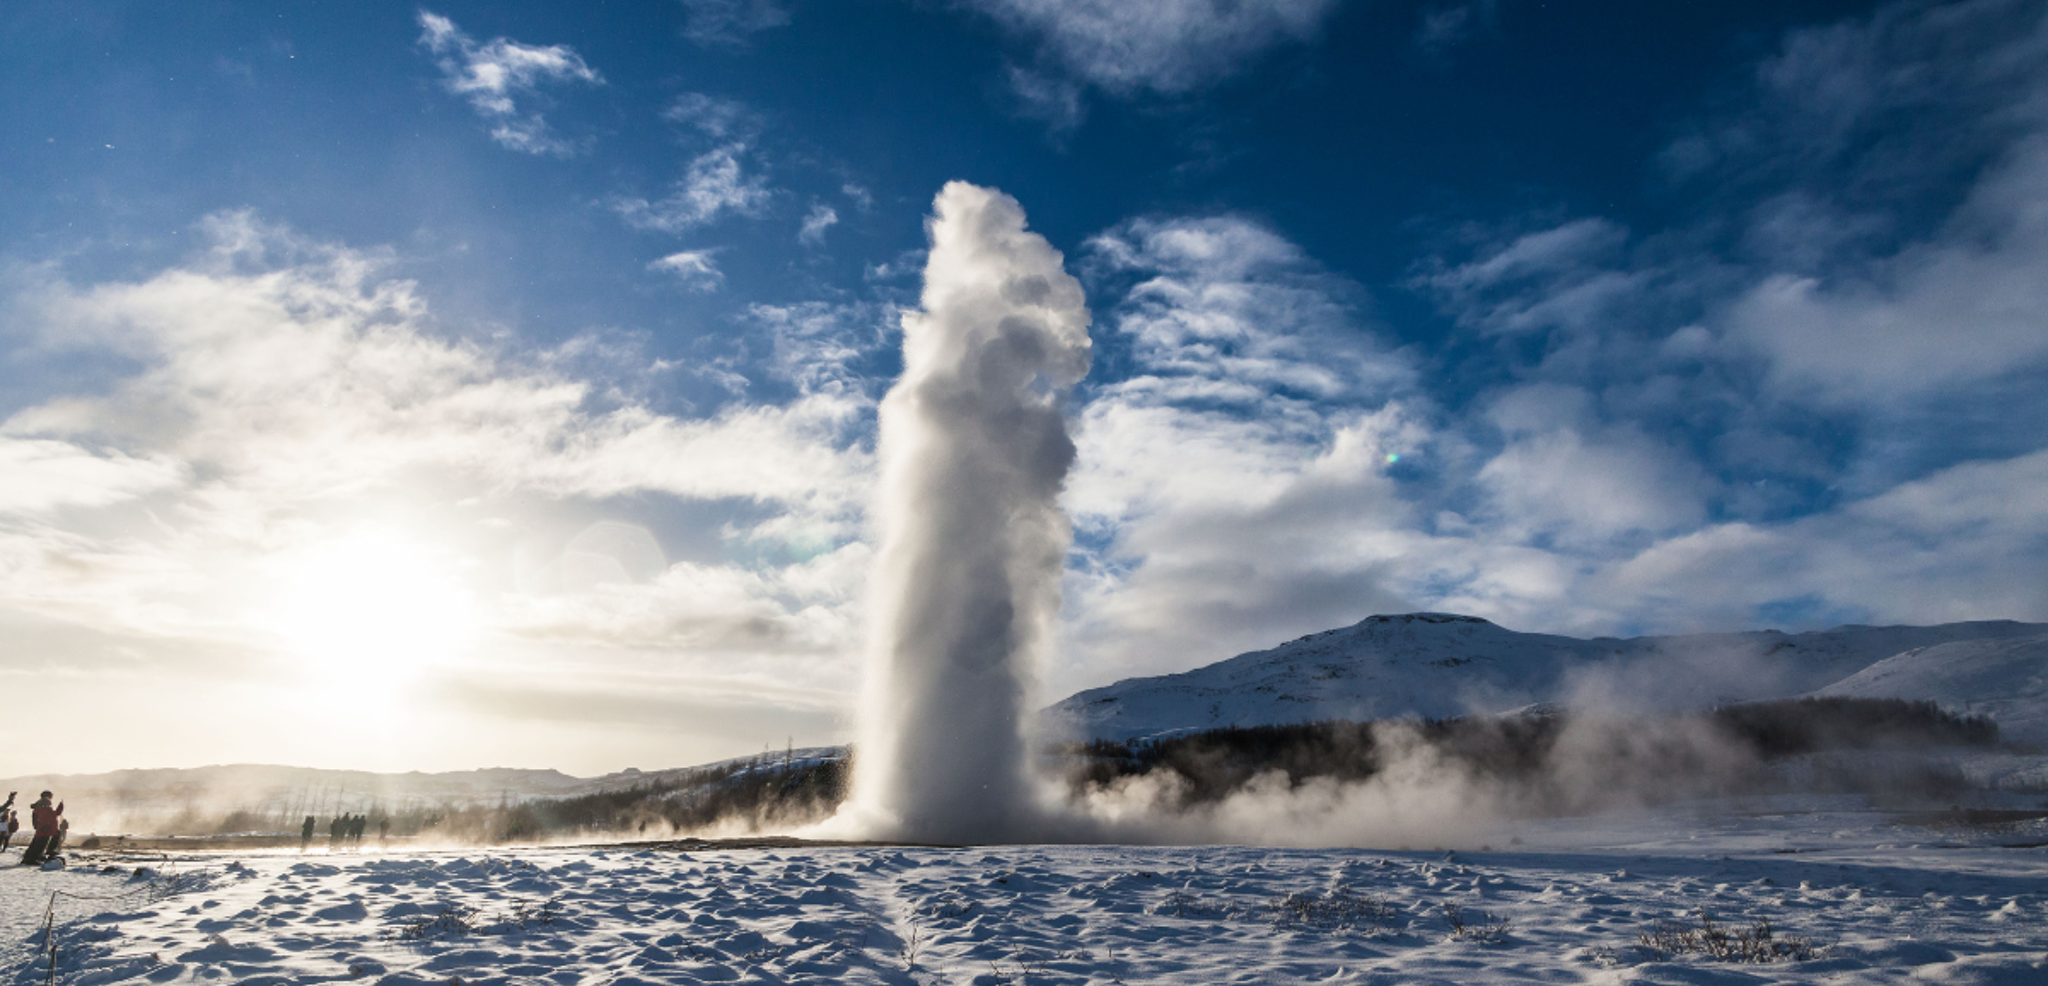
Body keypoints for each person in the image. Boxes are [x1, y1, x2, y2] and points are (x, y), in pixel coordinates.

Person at [19, 791, 62, 866]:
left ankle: (28, 859)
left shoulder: (37, 809)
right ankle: (32, 859)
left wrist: (36, 826)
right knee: (40, 846)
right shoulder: (46, 810)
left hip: (40, 830)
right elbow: (56, 814)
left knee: (34, 845)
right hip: (46, 831)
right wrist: (61, 806)